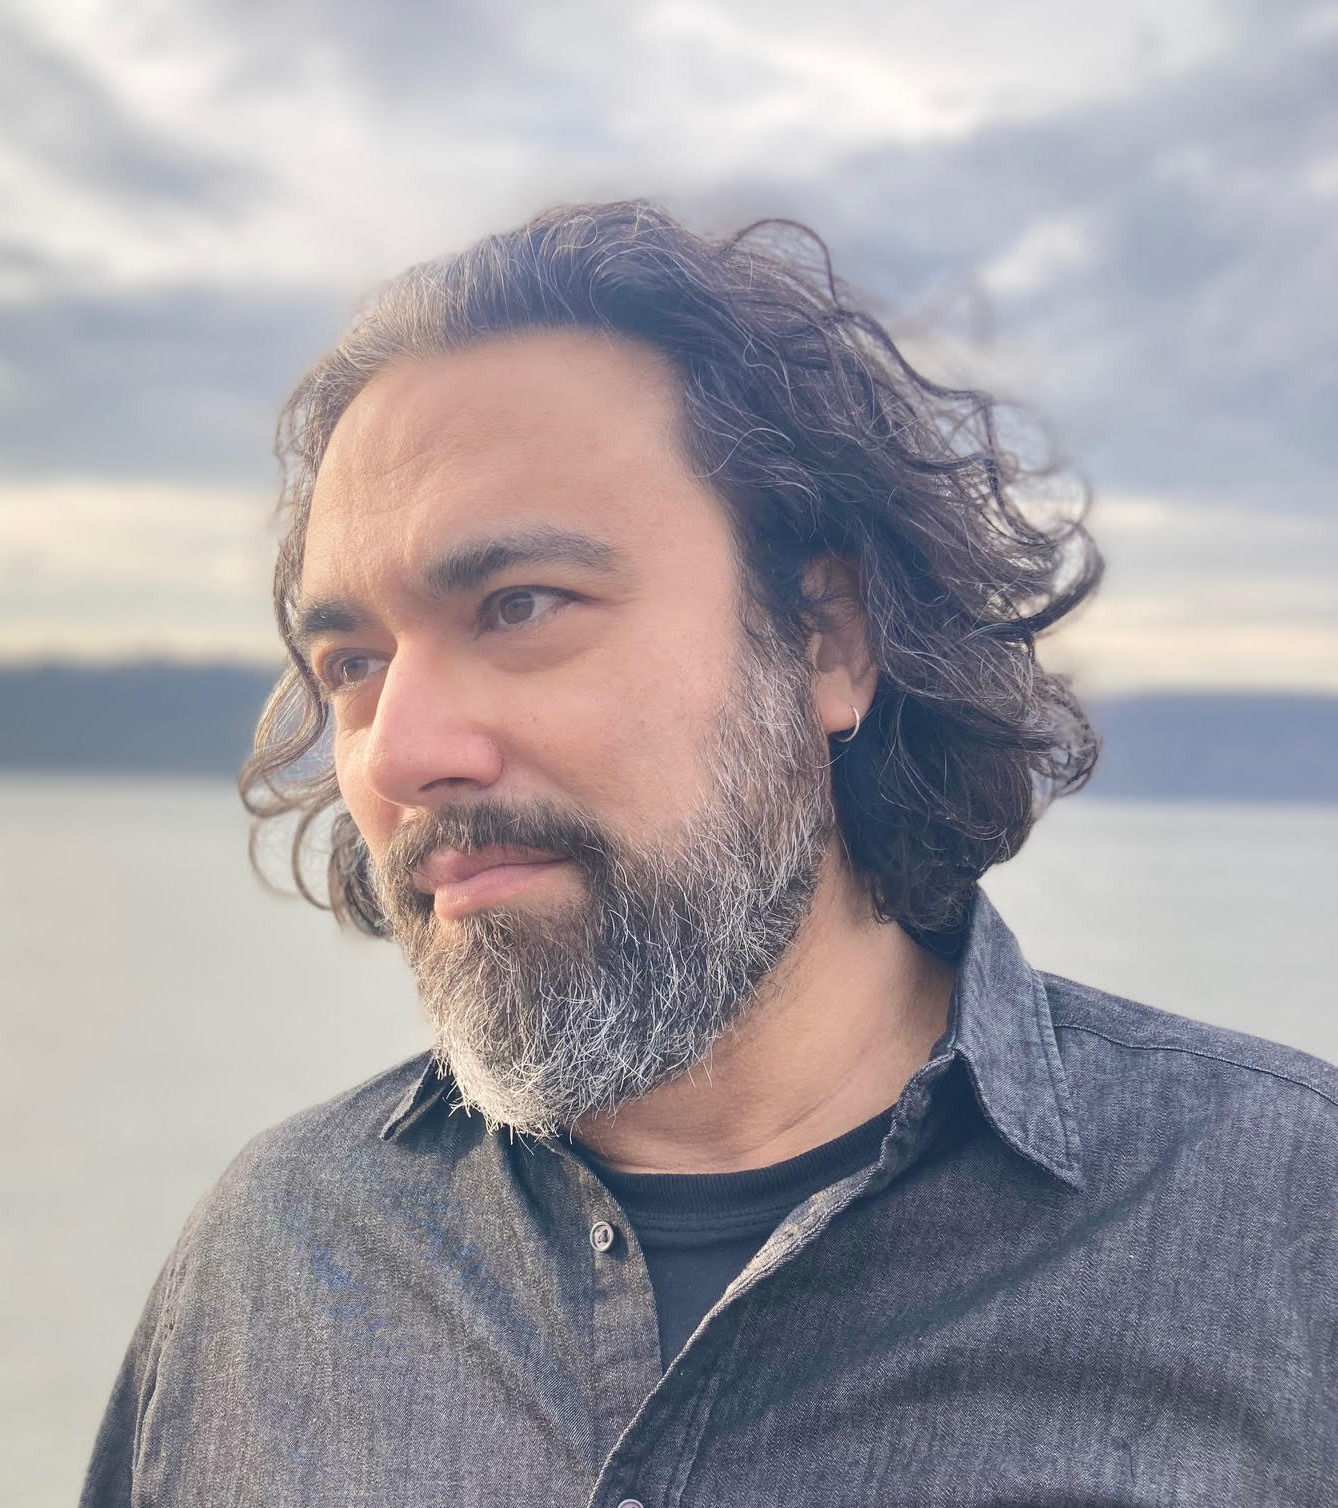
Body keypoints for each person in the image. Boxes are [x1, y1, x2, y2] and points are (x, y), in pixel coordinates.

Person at [81, 202, 1337, 1505]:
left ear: (828, 640)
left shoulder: (1286, 1217)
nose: (399, 755)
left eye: (518, 607)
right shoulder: (274, 1254)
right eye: (354, 664)